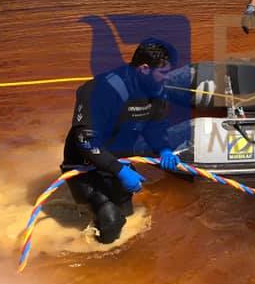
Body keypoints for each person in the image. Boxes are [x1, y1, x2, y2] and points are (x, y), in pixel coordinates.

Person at [61, 38, 182, 243]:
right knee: (112, 222)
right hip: (85, 166)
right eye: (163, 72)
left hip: (119, 161)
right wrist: (120, 170)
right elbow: (85, 140)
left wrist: (164, 149)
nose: (167, 78)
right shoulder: (101, 90)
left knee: (127, 215)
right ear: (144, 69)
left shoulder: (156, 90)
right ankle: (94, 266)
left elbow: (155, 126)